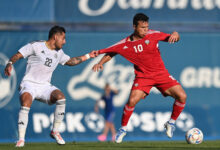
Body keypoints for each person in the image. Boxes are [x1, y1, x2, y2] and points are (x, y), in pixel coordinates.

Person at [92, 13, 187, 143]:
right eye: (142, 27)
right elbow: (112, 52)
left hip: (161, 74)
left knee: (182, 96)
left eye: (147, 27)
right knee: (131, 101)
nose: (145, 30)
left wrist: (176, 34)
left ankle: (171, 123)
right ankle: (123, 129)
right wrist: (100, 63)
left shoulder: (153, 34)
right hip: (143, 77)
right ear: (134, 27)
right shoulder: (125, 43)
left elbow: (173, 37)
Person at [4, 25, 98, 147]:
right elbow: (18, 54)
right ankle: (21, 139)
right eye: (63, 38)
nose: (64, 42)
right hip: (29, 83)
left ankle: (55, 131)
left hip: (44, 86)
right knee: (26, 101)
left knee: (61, 97)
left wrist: (89, 56)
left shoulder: (59, 53)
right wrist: (10, 63)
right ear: (55, 37)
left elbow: (71, 61)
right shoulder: (36, 45)